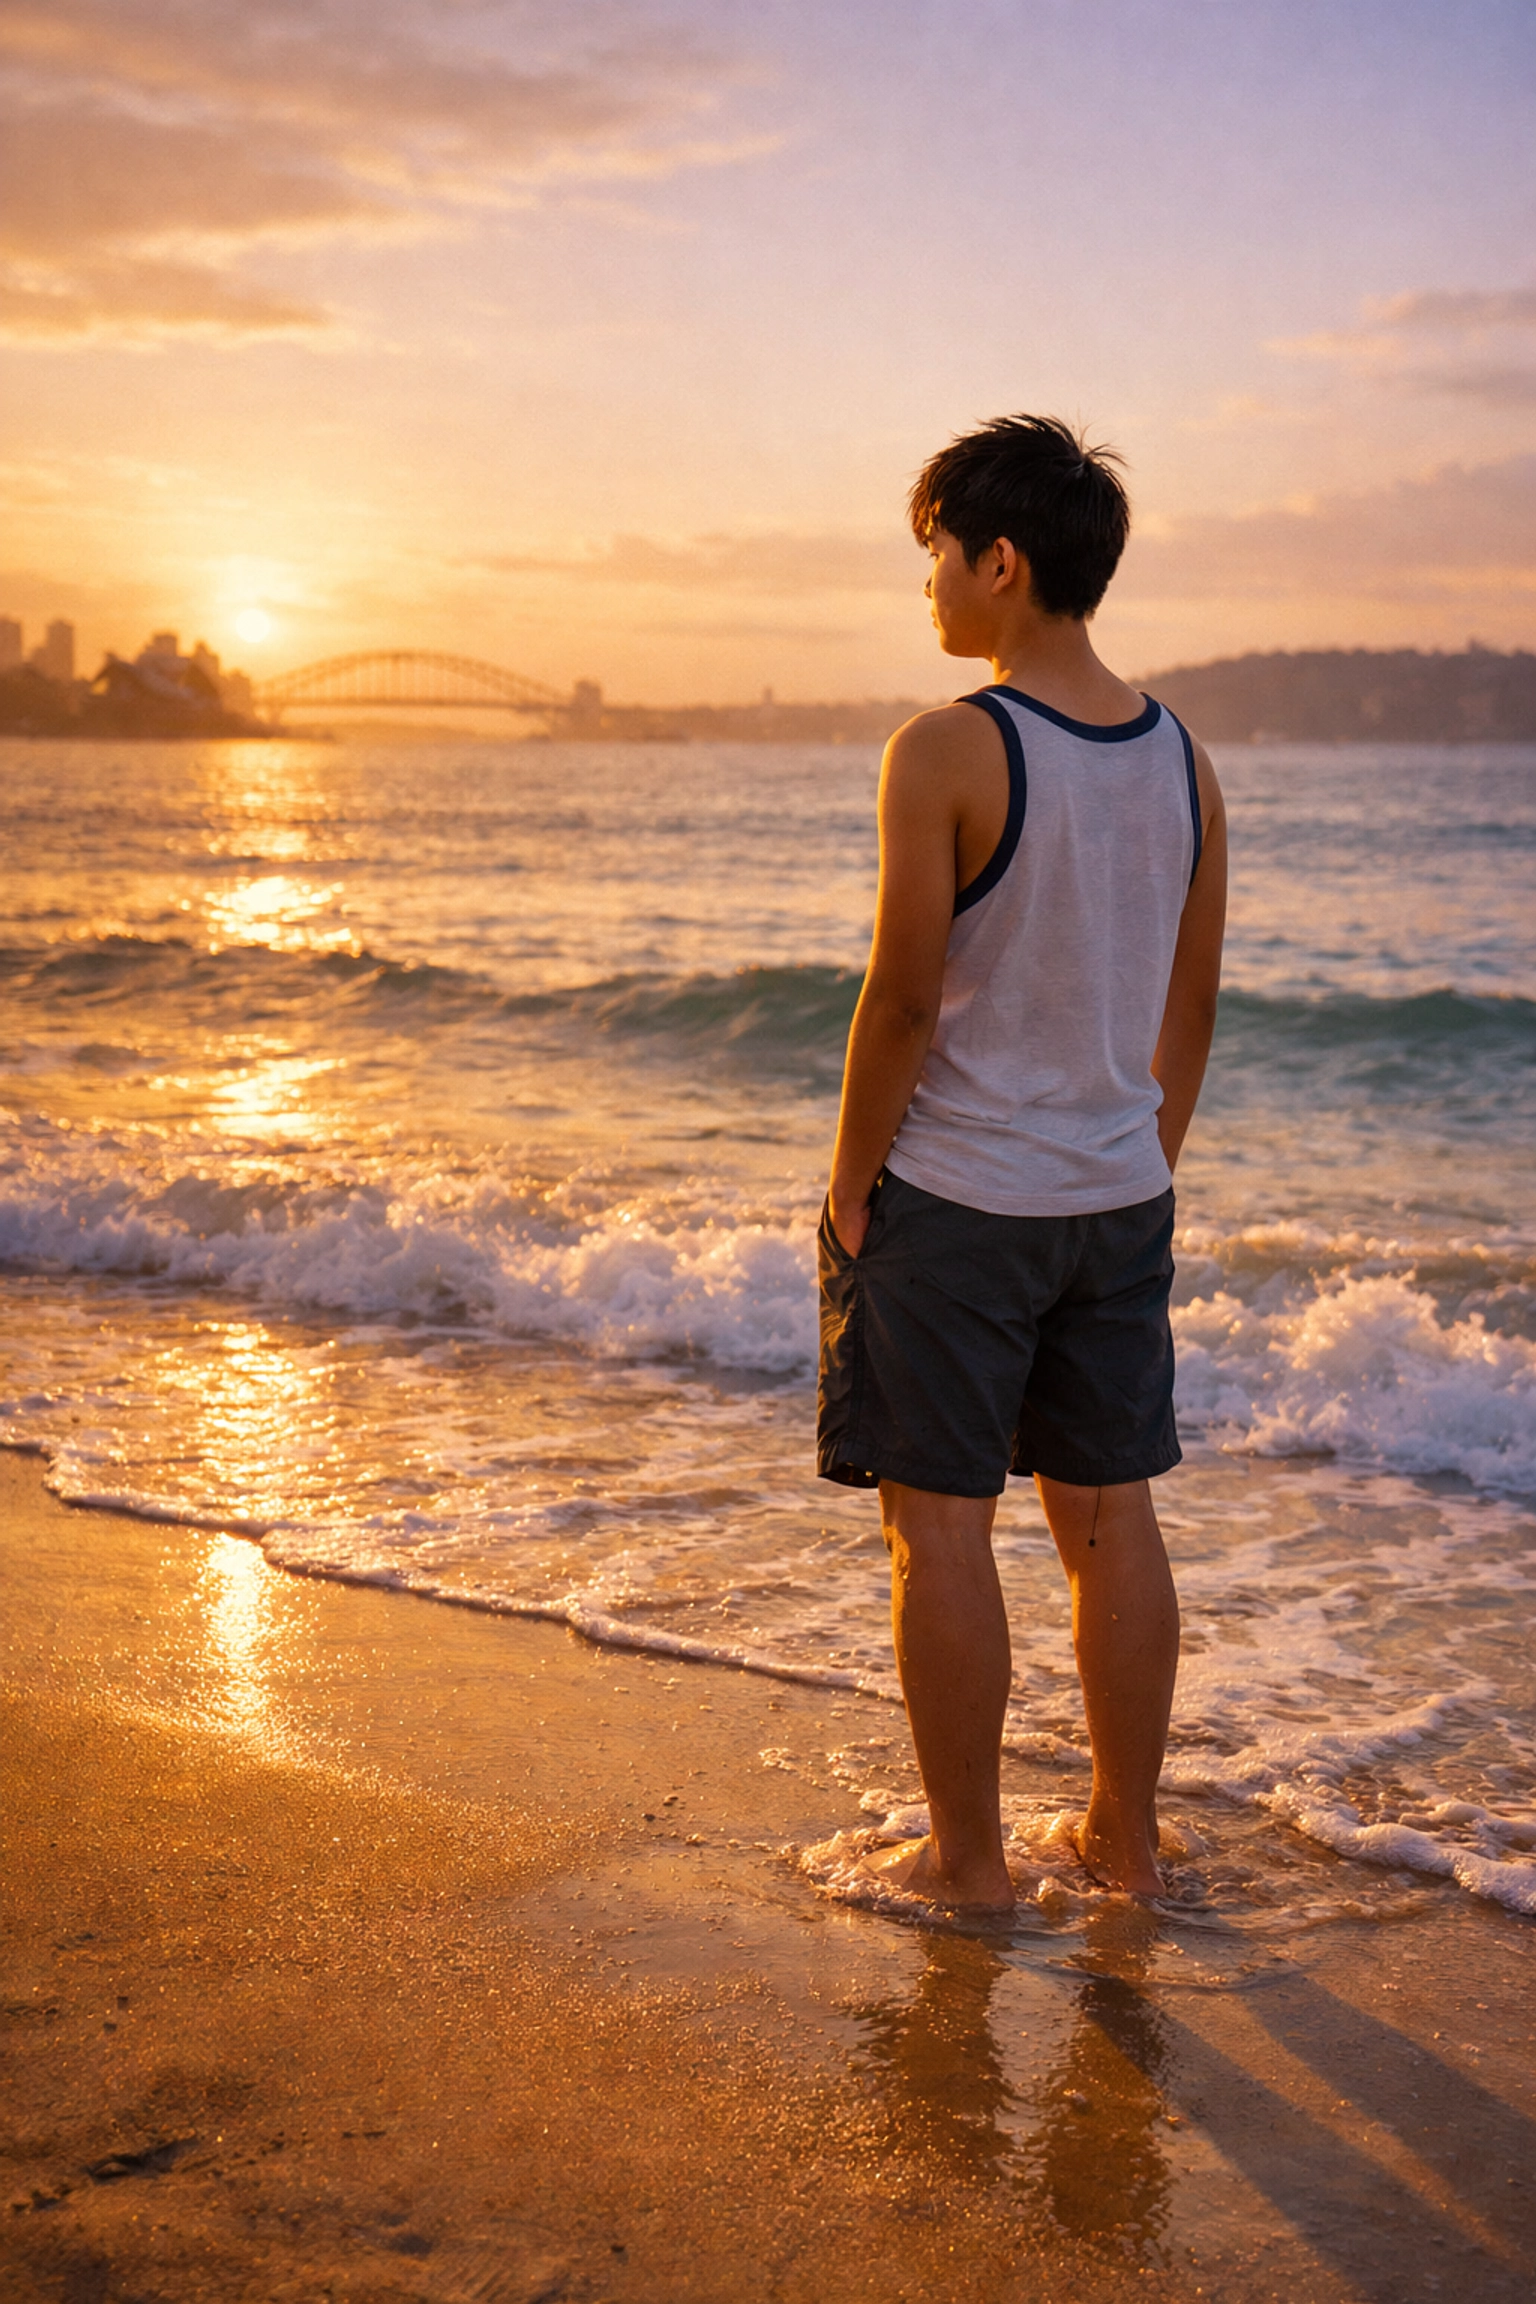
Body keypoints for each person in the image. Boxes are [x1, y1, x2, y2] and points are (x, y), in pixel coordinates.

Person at [818, 414, 1227, 1909]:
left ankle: (969, 1865)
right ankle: (1126, 1845)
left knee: (939, 1532)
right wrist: (1137, 1152)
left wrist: (852, 1184)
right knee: (1110, 1521)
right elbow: (1192, 1000)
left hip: (960, 1200)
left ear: (1001, 561)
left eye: (936, 549)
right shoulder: (1184, 761)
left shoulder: (946, 747)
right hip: (1115, 1199)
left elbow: (902, 1001)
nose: (926, 580)